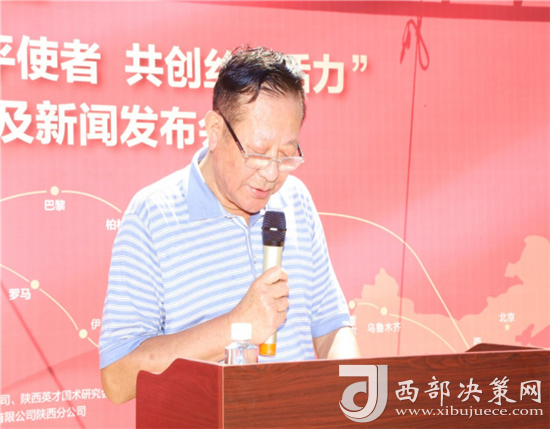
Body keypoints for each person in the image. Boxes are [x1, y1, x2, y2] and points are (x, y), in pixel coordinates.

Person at [99, 46, 360, 404]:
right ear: (215, 130)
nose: (271, 174)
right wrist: (238, 325)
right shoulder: (153, 215)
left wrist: (360, 404)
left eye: (286, 155)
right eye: (257, 152)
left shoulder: (296, 199)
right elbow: (118, 378)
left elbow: (331, 327)